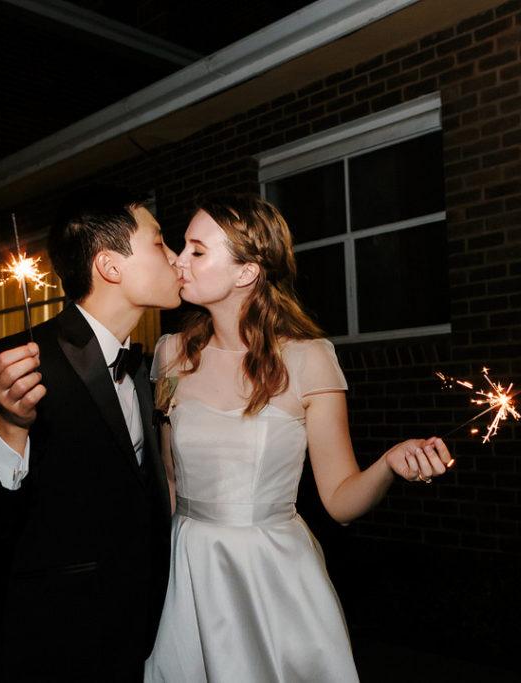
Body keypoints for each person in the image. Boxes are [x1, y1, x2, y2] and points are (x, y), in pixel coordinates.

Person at [143, 195, 453, 682]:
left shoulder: (310, 360)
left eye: (197, 251)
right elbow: (169, 477)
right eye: (182, 247)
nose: (178, 260)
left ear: (247, 272)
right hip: (188, 570)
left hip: (272, 577)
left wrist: (390, 463)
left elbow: (340, 501)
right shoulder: (169, 355)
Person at [0, 186, 183, 680]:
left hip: (146, 629)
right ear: (110, 266)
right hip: (61, 637)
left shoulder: (149, 366)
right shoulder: (21, 365)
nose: (174, 258)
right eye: (159, 242)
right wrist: (11, 425)